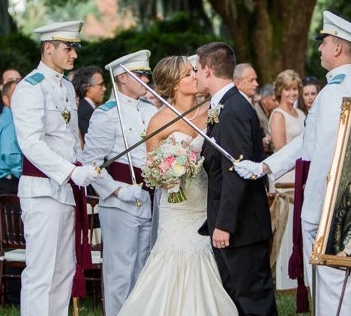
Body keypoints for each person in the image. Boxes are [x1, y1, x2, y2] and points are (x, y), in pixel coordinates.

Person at [234, 11, 351, 316]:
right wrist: (264, 167)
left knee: (332, 289)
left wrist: (318, 214)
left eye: (324, 42)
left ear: (337, 47)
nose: (320, 48)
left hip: (330, 206)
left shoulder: (337, 92)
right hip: (348, 202)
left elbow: (325, 156)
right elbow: (307, 139)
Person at [119, 55, 237, 315]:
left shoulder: (212, 114)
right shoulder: (159, 121)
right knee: (173, 261)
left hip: (207, 203)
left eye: (194, 70)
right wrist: (167, 174)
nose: (195, 76)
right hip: (177, 207)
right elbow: (150, 170)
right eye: (187, 74)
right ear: (173, 83)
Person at [10, 20, 99, 316]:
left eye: (75, 48)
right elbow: (31, 144)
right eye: (68, 47)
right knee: (42, 271)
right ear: (48, 48)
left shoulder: (63, 85)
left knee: (63, 269)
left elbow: (71, 139)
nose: (74, 54)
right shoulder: (30, 87)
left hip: (66, 189)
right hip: (43, 191)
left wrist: (83, 165)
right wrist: (71, 171)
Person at [195, 42, 277, 315]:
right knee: (239, 300)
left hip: (242, 228)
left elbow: (236, 172)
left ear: (208, 70)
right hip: (237, 226)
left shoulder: (233, 110)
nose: (194, 75)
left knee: (253, 301)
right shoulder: (224, 105)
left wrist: (225, 225)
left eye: (196, 69)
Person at [78, 50, 157, 316]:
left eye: (147, 74)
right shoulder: (106, 114)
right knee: (120, 270)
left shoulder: (150, 108)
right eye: (141, 74)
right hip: (120, 201)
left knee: (144, 267)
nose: (146, 78)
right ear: (122, 77)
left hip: (150, 196)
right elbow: (91, 163)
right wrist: (117, 190)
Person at [268, 69, 305, 291]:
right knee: (285, 225)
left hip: (301, 173)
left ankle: (300, 271)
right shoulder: (278, 115)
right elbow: (280, 149)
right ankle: (284, 278)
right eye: (288, 89)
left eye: (295, 88)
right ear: (279, 91)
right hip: (284, 175)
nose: (292, 93)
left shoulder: (300, 114)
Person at [0, 79, 21, 250]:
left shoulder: (4, 119)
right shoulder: (10, 122)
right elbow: (11, 155)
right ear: (6, 100)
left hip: (0, 182)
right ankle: (12, 276)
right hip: (9, 182)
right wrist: (25, 174)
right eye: (17, 95)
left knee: (2, 233)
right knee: (12, 234)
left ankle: (0, 276)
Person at [71, 65, 106, 140]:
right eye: (101, 84)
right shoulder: (87, 113)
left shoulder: (80, 108)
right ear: (88, 87)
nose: (104, 89)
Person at [254, 84, 277, 156]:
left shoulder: (272, 111)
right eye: (274, 100)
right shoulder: (255, 112)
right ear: (264, 100)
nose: (277, 103)